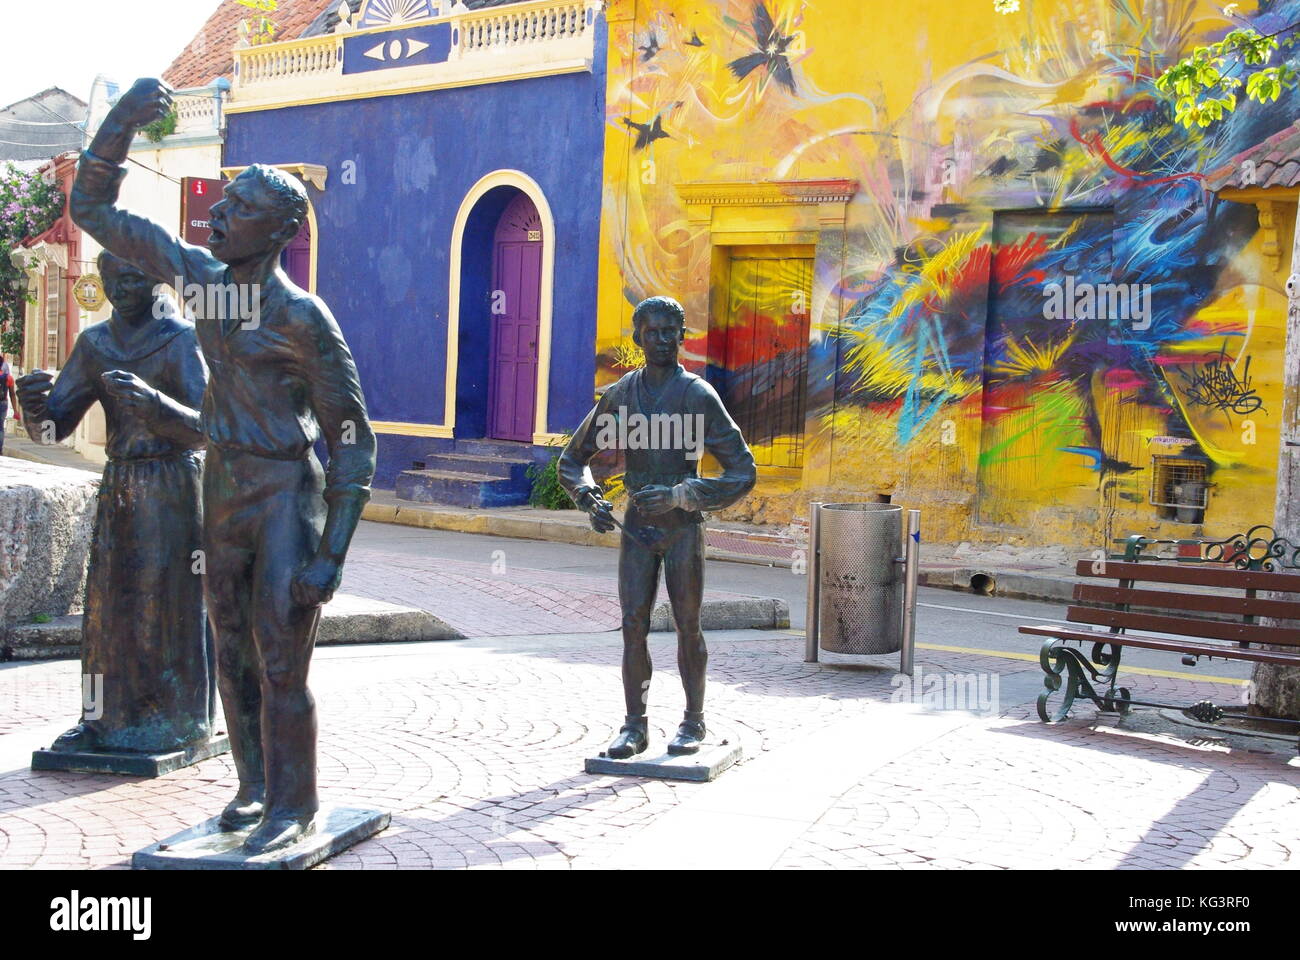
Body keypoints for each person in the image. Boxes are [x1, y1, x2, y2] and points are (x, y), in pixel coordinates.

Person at [71, 77, 376, 854]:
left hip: (282, 496)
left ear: (273, 232)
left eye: (236, 210)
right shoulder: (202, 285)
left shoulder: (304, 319)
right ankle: (252, 787)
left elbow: (352, 436)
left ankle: (293, 805)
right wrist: (121, 124)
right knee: (232, 651)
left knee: (280, 660)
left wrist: (331, 552)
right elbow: (95, 213)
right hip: (223, 490)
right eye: (223, 203)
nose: (216, 213)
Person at [16, 252, 211, 754]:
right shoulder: (96, 343)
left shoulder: (181, 339)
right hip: (120, 484)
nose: (122, 288)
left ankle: (177, 716)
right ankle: (101, 719)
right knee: (106, 609)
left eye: (134, 277)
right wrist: (33, 405)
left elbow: (208, 429)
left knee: (163, 604)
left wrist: (155, 406)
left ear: (156, 282)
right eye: (113, 279)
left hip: (172, 486)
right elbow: (54, 429)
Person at [558, 296, 756, 758]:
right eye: (653, 332)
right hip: (638, 529)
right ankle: (634, 725)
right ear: (638, 338)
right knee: (633, 625)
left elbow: (742, 472)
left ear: (682, 337)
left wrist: (683, 494)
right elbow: (573, 459)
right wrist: (588, 496)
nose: (663, 339)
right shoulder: (622, 394)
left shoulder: (697, 396)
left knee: (688, 623)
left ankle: (694, 721)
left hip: (683, 526)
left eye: (671, 331)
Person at [0, 353, 17, 454]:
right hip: (3, 403)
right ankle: (0, 449)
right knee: (0, 427)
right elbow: (12, 395)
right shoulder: (8, 378)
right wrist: (15, 410)